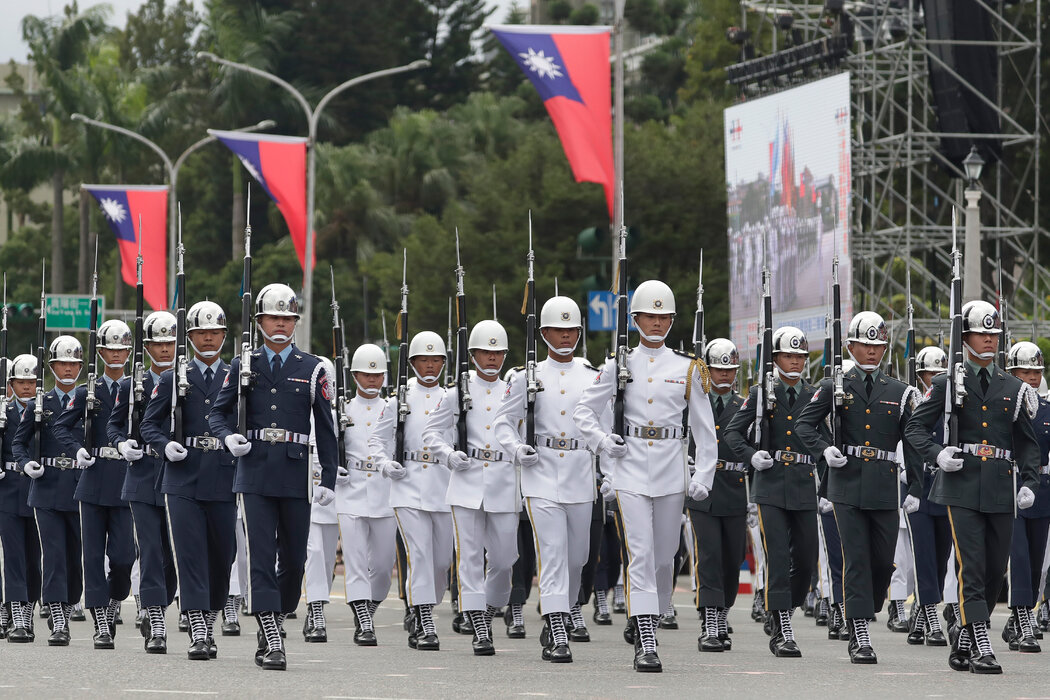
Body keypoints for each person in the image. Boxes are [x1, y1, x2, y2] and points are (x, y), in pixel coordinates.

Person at [574, 280, 717, 673]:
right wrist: (604, 442)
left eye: (663, 316)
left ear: (672, 320)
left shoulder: (688, 368)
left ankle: (652, 612)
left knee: (665, 554)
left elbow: (705, 429)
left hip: (672, 469)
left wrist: (703, 473)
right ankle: (647, 636)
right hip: (630, 469)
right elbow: (584, 412)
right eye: (649, 316)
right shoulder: (618, 365)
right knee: (639, 552)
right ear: (635, 319)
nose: (656, 322)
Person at [905, 300, 1041, 674]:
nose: (988, 340)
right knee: (973, 563)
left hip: (1000, 485)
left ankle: (963, 636)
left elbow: (1027, 440)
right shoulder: (948, 382)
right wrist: (937, 453)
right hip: (961, 483)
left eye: (993, 334)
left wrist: (1029, 480)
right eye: (981, 334)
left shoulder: (1013, 386)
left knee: (996, 568)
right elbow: (915, 428)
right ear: (963, 338)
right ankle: (982, 641)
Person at [207, 283, 338, 671]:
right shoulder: (242, 365)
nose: (280, 324)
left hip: (295, 471)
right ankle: (272, 633)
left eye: (287, 318)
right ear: (259, 321)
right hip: (255, 470)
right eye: (273, 317)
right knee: (261, 556)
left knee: (294, 559)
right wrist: (228, 436)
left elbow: (326, 427)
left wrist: (328, 478)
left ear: (295, 322)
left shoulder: (313, 367)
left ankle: (274, 621)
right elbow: (218, 412)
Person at [796, 311, 922, 664]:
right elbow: (804, 426)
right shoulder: (833, 386)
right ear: (850, 345)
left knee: (882, 561)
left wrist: (915, 484)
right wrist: (824, 451)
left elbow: (911, 440)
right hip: (847, 482)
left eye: (878, 345)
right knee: (855, 559)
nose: (872, 351)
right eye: (865, 344)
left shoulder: (899, 392)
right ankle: (860, 633)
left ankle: (867, 606)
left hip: (884, 484)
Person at [495, 296, 604, 662]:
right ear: (543, 333)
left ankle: (564, 607)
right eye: (558, 329)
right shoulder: (527, 376)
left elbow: (604, 427)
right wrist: (515, 449)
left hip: (579, 471)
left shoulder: (592, 376)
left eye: (571, 329)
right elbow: (502, 423)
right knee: (554, 554)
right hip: (540, 473)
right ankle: (559, 627)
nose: (565, 335)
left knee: (579, 558)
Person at [140, 301, 237, 660]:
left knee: (223, 555)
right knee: (190, 555)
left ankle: (209, 618)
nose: (207, 338)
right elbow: (148, 424)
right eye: (200, 332)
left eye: (214, 332)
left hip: (224, 475)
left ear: (224, 335)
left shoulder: (236, 376)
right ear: (190, 336)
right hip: (182, 477)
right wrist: (166, 446)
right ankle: (199, 630)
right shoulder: (172, 378)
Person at [724, 325, 823, 658]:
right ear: (776, 357)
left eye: (800, 356)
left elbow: (825, 439)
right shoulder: (760, 393)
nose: (795, 361)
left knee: (807, 560)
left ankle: (782, 608)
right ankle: (782, 626)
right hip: (770, 484)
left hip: (805, 484)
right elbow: (733, 434)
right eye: (788, 355)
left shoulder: (815, 394)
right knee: (778, 557)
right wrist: (752, 456)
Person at [424, 320, 517, 656]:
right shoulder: (456, 392)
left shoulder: (513, 388)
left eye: (497, 352)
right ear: (473, 354)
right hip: (467, 481)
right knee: (470, 557)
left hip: (505, 479)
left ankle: (490, 609)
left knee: (506, 559)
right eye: (485, 352)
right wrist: (449, 455)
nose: (492, 358)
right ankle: (479, 624)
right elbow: (431, 433)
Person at [53, 320, 136, 650]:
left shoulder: (137, 388)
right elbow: (61, 426)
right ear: (100, 352)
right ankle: (101, 620)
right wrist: (78, 449)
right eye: (109, 350)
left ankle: (115, 600)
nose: (115, 355)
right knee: (92, 557)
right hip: (93, 477)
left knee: (124, 557)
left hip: (126, 480)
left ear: (129, 352)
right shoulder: (88, 391)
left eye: (121, 350)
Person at [370, 331, 451, 651]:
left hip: (443, 486)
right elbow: (376, 441)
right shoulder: (397, 400)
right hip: (408, 485)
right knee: (419, 555)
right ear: (412, 362)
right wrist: (384, 464)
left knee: (442, 561)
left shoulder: (453, 397)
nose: (430, 366)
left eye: (436, 360)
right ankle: (425, 621)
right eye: (423, 360)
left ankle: (424, 607)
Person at [108, 311, 180, 654]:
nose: (164, 349)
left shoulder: (188, 380)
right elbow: (113, 425)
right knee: (150, 551)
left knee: (173, 556)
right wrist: (122, 444)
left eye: (169, 342)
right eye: (157, 343)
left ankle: (160, 605)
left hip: (180, 476)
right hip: (142, 475)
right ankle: (156, 618)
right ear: (147, 346)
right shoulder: (131, 385)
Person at [13, 336, 84, 646]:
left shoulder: (88, 399)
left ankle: (69, 605)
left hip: (81, 487)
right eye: (61, 364)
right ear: (52, 367)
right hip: (47, 486)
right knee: (53, 556)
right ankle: (59, 621)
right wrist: (26, 463)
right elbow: (18, 441)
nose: (67, 369)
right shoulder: (40, 403)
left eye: (73, 364)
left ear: (81, 367)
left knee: (75, 557)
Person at [687, 337, 747, 653]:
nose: (725, 375)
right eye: (719, 369)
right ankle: (710, 620)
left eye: (730, 370)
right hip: (703, 489)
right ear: (707, 370)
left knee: (732, 558)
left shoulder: (745, 405)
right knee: (709, 554)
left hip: (735, 488)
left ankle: (723, 613)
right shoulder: (695, 401)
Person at [336, 344, 397, 646]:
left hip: (386, 492)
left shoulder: (394, 407)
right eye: (366, 374)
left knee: (384, 566)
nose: (372, 379)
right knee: (356, 560)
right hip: (352, 490)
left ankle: (369, 609)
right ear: (355, 375)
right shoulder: (343, 409)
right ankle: (363, 621)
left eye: (378, 374)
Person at [1000, 341, 1050, 653]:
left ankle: (1018, 619)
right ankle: (1022, 618)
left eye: (1036, 372)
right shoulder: (1003, 406)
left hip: (1042, 489)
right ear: (1012, 373)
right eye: (1025, 371)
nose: (1032, 377)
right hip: (1010, 483)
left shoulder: (1047, 409)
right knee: (1018, 556)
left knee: (1035, 561)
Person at [903, 345, 951, 647]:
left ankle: (919, 617)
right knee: (923, 556)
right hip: (918, 484)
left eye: (939, 372)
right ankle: (932, 617)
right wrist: (908, 485)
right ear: (921, 374)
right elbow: (906, 440)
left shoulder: (952, 398)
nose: (935, 377)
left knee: (941, 556)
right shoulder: (911, 400)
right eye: (930, 373)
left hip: (944, 485)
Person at [0, 354, 42, 642]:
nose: (26, 387)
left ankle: (28, 610)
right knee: (13, 557)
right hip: (8, 489)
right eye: (21, 382)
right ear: (11, 384)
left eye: (31, 382)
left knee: (34, 558)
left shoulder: (46, 410)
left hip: (39, 488)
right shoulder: (4, 412)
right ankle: (17, 617)